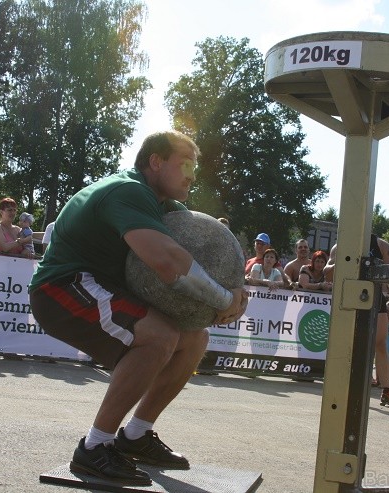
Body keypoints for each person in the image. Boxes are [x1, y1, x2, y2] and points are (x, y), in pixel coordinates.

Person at [28, 130, 248, 486]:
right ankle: (93, 448)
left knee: (194, 339)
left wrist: (237, 288)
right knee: (160, 338)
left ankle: (135, 435)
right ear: (156, 162)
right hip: (63, 288)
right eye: (185, 164)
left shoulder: (162, 203)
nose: (192, 174)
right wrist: (225, 300)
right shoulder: (129, 191)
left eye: (195, 167)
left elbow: (211, 249)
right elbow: (167, 261)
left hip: (100, 286)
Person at [325, 236, 389, 407]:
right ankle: (341, 387)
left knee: (380, 343)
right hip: (349, 297)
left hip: (374, 297)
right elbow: (327, 274)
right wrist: (344, 264)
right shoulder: (341, 245)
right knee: (347, 344)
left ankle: (386, 390)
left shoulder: (381, 245)